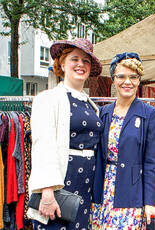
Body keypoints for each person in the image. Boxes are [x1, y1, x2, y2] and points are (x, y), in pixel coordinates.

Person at [28, 38, 103, 230]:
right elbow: (43, 145)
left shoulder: (91, 105)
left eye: (86, 61)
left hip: (85, 184)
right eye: (74, 59)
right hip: (60, 183)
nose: (80, 64)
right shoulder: (48, 99)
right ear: (62, 63)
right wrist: (46, 192)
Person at [92, 52, 155, 229]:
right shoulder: (103, 113)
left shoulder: (150, 114)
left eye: (133, 77)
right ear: (113, 79)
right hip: (102, 190)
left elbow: (151, 163)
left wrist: (149, 202)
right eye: (121, 76)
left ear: (139, 80)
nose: (127, 82)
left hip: (131, 191)